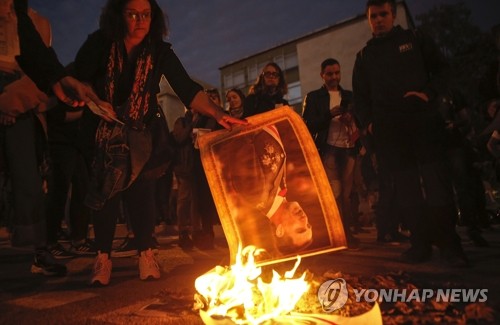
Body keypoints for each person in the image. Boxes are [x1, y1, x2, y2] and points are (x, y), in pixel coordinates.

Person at [70, 0, 244, 286]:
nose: (140, 20)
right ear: (118, 15)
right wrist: (95, 99)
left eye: (146, 14)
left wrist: (219, 114)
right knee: (106, 194)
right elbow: (79, 79)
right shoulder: (100, 43)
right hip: (104, 133)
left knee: (142, 194)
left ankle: (146, 253)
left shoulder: (160, 51)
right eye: (132, 14)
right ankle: (103, 257)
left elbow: (187, 89)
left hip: (142, 134)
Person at [352, 0, 468, 266]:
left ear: (393, 15)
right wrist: (370, 123)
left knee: (436, 185)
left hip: (423, 124)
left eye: (383, 14)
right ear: (368, 19)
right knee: (407, 190)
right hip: (390, 133)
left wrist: (427, 94)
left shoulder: (415, 40)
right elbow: (360, 97)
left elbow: (443, 71)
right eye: (373, 16)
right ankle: (420, 244)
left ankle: (450, 245)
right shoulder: (364, 56)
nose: (379, 20)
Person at [0, 0, 66, 276]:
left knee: (28, 178)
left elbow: (42, 65)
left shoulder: (36, 21)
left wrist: (16, 100)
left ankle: (38, 250)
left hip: (22, 98)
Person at [222, 124, 313, 256]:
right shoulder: (279, 192)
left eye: (299, 229)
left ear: (280, 231)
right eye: (308, 225)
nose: (305, 220)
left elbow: (239, 136)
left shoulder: (255, 193)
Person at [302, 58, 360, 248]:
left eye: (337, 73)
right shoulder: (314, 97)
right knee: (334, 194)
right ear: (322, 75)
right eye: (329, 73)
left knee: (347, 193)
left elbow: (360, 118)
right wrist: (329, 114)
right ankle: (337, 234)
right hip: (329, 149)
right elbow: (308, 124)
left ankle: (346, 233)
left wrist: (351, 118)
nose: (334, 77)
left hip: (349, 148)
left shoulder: (350, 95)